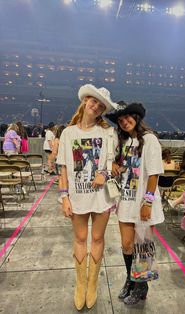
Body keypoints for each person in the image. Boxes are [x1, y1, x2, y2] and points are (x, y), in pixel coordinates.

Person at [56, 84, 117, 310]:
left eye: (101, 106)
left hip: (101, 197)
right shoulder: (68, 133)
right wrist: (64, 197)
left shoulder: (107, 133)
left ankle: (93, 284)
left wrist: (103, 173)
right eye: (94, 101)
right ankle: (80, 284)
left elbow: (113, 164)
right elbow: (62, 169)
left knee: (98, 239)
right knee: (80, 238)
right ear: (85, 101)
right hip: (77, 196)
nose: (96, 106)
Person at [106, 101, 164, 305]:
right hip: (126, 200)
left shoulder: (149, 140)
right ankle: (131, 280)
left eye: (127, 117)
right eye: (120, 120)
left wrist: (147, 202)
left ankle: (142, 286)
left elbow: (154, 173)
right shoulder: (122, 143)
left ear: (136, 117)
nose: (124, 122)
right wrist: (114, 164)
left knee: (143, 246)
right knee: (127, 245)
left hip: (142, 202)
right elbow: (122, 168)